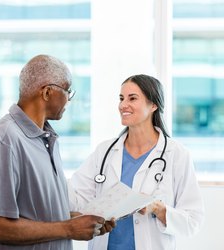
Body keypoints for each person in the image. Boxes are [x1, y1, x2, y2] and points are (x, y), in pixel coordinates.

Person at [0, 54, 114, 249]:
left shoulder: (46, 139)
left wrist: (79, 221)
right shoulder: (3, 140)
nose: (68, 99)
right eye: (67, 91)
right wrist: (68, 228)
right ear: (47, 92)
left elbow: (39, 215)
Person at [68, 74, 205, 250]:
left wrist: (159, 209)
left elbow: (193, 222)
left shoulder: (176, 155)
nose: (123, 105)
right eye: (121, 98)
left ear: (153, 105)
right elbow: (77, 197)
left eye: (132, 98)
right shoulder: (105, 151)